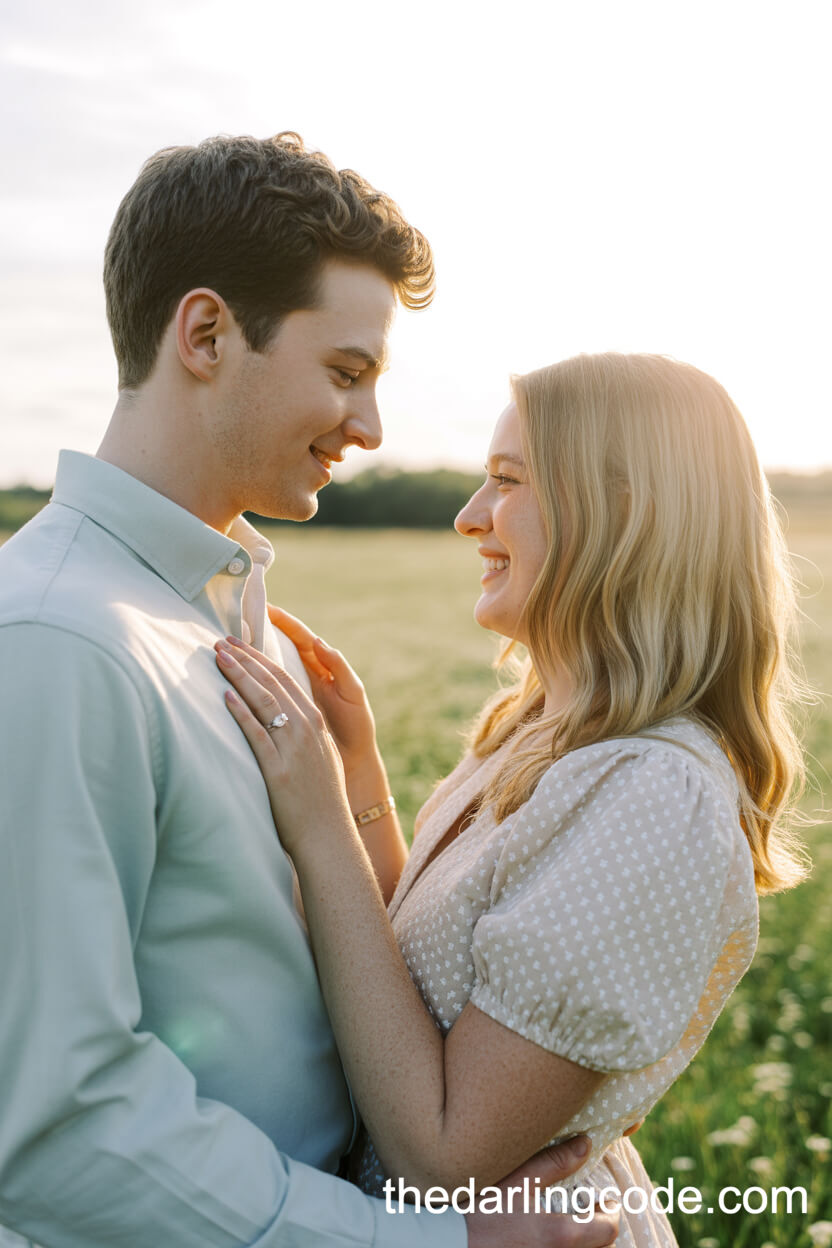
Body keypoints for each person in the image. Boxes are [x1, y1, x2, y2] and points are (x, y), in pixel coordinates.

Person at [0, 134, 620, 1248]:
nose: (371, 430)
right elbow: (53, 1126)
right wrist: (434, 1243)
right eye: (344, 374)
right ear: (204, 335)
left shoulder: (247, 631)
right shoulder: (54, 643)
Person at [211, 352, 809, 1248]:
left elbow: (443, 1155)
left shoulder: (656, 795)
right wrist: (360, 773)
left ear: (624, 513)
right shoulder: (547, 730)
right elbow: (417, 980)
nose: (468, 518)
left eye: (507, 481)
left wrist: (320, 821)